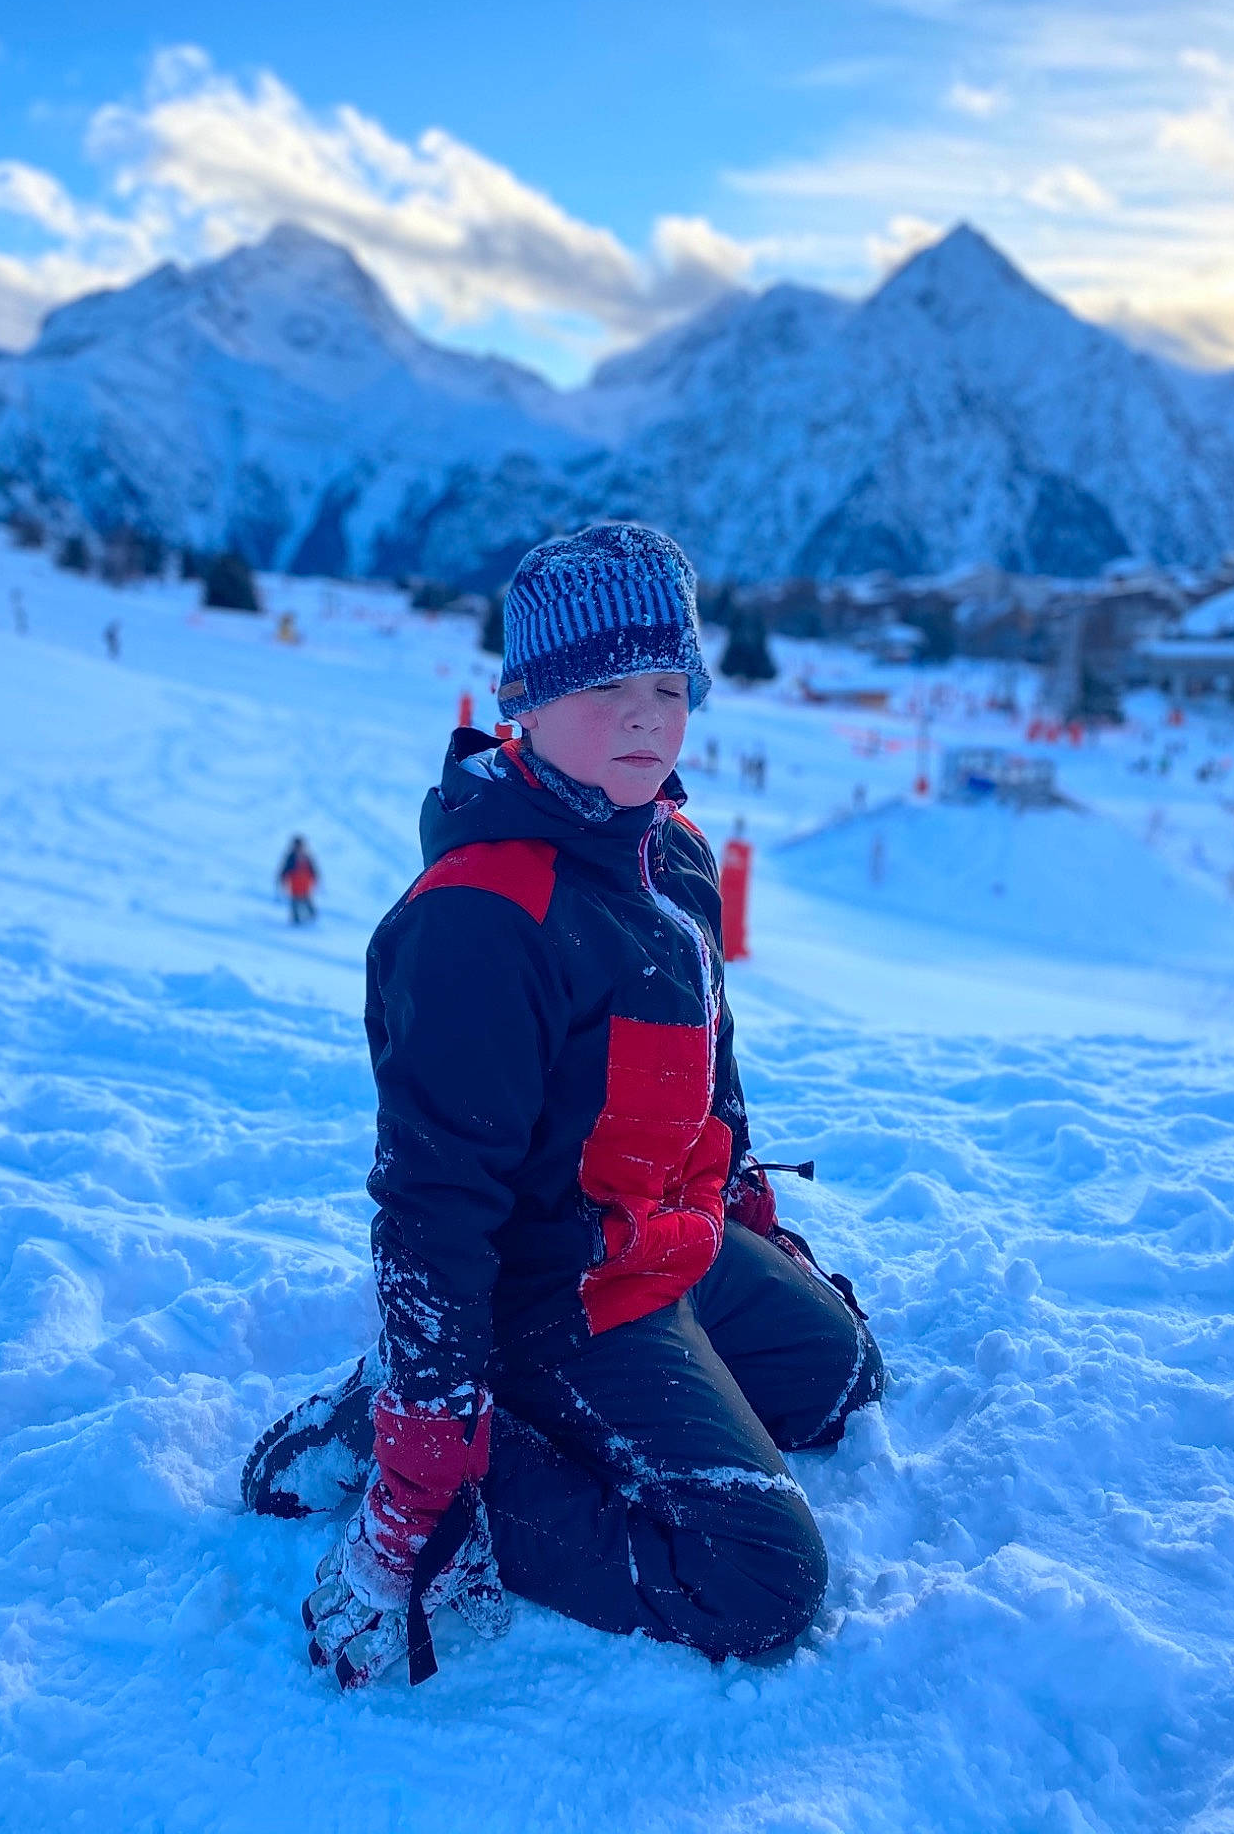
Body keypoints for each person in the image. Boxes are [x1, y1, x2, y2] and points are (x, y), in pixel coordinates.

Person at [243, 524, 884, 1691]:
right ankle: (452, 1432)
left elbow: (709, 1070)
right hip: (551, 1288)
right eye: (602, 683)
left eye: (666, 683)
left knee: (836, 1378)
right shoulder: (481, 917)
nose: (644, 714)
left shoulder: (670, 853)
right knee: (759, 1581)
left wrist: (737, 1199)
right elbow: (433, 1204)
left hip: (658, 1240)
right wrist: (427, 1444)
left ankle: (571, 1389)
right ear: (525, 699)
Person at [277, 835, 320, 924]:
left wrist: (315, 878)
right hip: (295, 886)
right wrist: (281, 879)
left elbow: (313, 869)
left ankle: (312, 921)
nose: (299, 848)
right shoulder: (291, 858)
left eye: (300, 846)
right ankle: (295, 924)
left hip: (305, 885)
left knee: (308, 904)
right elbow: (284, 870)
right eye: (297, 846)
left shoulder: (307, 857)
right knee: (295, 905)